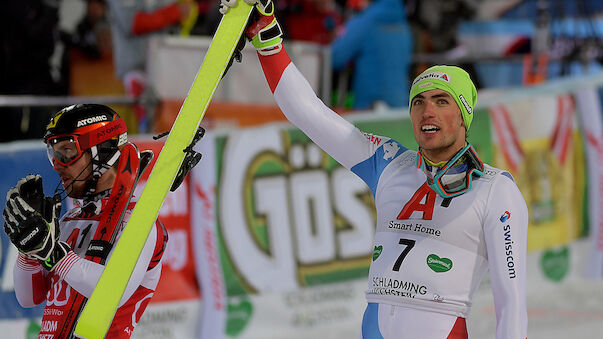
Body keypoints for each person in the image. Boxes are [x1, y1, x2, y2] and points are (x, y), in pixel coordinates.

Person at [220, 1, 528, 338]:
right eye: (418, 102)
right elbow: (307, 113)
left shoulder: (495, 189)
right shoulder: (388, 163)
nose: (428, 111)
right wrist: (267, 38)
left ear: (464, 115)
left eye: (442, 101)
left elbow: (510, 302)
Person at [2, 104, 168, 338]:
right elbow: (29, 298)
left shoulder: (140, 223)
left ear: (103, 150)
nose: (58, 165)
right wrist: (28, 250)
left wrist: (53, 255)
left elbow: (112, 293)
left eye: (66, 152)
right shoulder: (70, 219)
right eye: (53, 154)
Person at [105, 0, 197, 132]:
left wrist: (184, 12)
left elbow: (184, 13)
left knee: (174, 127)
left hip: (168, 68)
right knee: (146, 129)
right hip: (136, 70)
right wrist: (174, 12)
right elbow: (134, 23)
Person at [330, 0, 413, 109]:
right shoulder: (404, 26)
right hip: (400, 104)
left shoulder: (364, 23)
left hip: (371, 105)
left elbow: (335, 57)